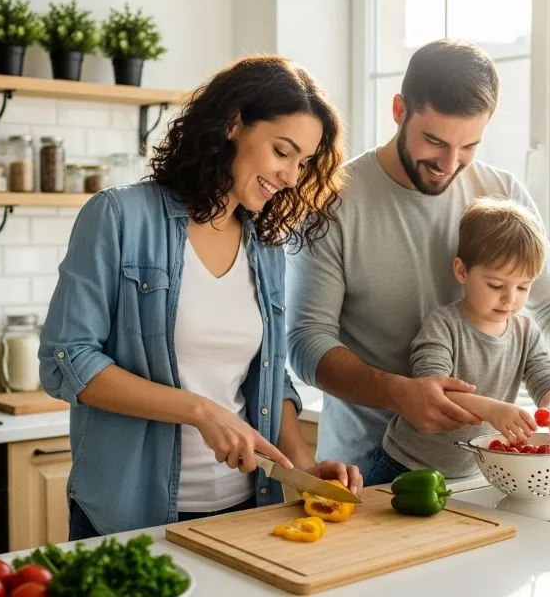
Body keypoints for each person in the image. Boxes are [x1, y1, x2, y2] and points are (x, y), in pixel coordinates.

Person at [38, 55, 363, 540]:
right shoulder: (119, 217)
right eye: (282, 151)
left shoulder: (266, 247)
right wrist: (200, 409)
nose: (293, 176)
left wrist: (303, 467)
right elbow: (67, 361)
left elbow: (271, 379)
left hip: (243, 513)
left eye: (303, 162)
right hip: (129, 517)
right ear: (233, 124)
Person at [286, 38, 550, 476]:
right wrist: (398, 392)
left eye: (469, 146)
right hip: (365, 473)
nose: (450, 163)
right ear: (399, 110)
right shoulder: (332, 200)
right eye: (434, 141)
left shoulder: (503, 193)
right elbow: (307, 343)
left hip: (479, 472)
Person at [366, 196, 550, 484]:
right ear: (462, 271)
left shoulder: (527, 331)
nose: (510, 298)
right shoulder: (443, 325)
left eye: (523, 287)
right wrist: (493, 409)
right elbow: (433, 391)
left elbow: (543, 377)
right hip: (406, 466)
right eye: (496, 285)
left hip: (473, 472)